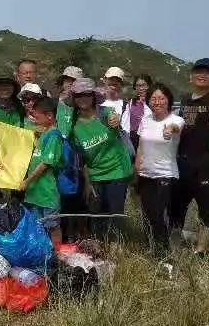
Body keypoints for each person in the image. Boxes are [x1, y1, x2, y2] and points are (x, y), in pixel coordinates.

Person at [171, 58, 209, 256]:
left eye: (208, 73)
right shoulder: (185, 99)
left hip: (206, 162)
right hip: (183, 161)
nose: (202, 75)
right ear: (191, 76)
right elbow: (180, 123)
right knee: (176, 206)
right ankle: (175, 246)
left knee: (208, 208)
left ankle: (200, 250)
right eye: (198, 72)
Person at [70, 78, 132, 235]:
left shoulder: (105, 113)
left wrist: (115, 121)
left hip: (117, 171)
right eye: (78, 95)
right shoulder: (74, 126)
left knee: (115, 214)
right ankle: (100, 251)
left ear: (93, 96)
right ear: (74, 98)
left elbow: (114, 119)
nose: (82, 98)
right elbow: (82, 159)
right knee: (97, 217)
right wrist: (88, 182)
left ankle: (118, 249)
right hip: (95, 175)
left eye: (86, 94)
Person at [134, 84, 184, 252]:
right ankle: (152, 249)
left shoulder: (175, 120)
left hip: (165, 175)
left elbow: (176, 128)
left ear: (168, 100)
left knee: (158, 215)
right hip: (145, 174)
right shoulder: (146, 120)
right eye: (153, 99)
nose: (157, 102)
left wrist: (170, 130)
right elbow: (140, 146)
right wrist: (136, 168)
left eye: (161, 98)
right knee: (148, 216)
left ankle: (163, 253)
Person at [19, 97, 64, 245]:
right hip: (35, 194)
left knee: (52, 226)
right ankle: (43, 255)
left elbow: (45, 163)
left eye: (37, 116)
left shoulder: (54, 136)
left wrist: (27, 181)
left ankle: (57, 256)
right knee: (37, 227)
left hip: (47, 193)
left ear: (49, 116)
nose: (34, 119)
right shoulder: (43, 134)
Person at [123, 74, 153, 151]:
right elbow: (125, 123)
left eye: (144, 85)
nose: (141, 88)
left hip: (148, 137)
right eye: (138, 86)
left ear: (149, 86)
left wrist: (144, 103)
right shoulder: (131, 102)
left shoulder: (154, 102)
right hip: (133, 139)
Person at [56, 66, 84, 138]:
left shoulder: (83, 106)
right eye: (67, 80)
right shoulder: (53, 102)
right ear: (62, 82)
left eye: (74, 80)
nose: (70, 83)